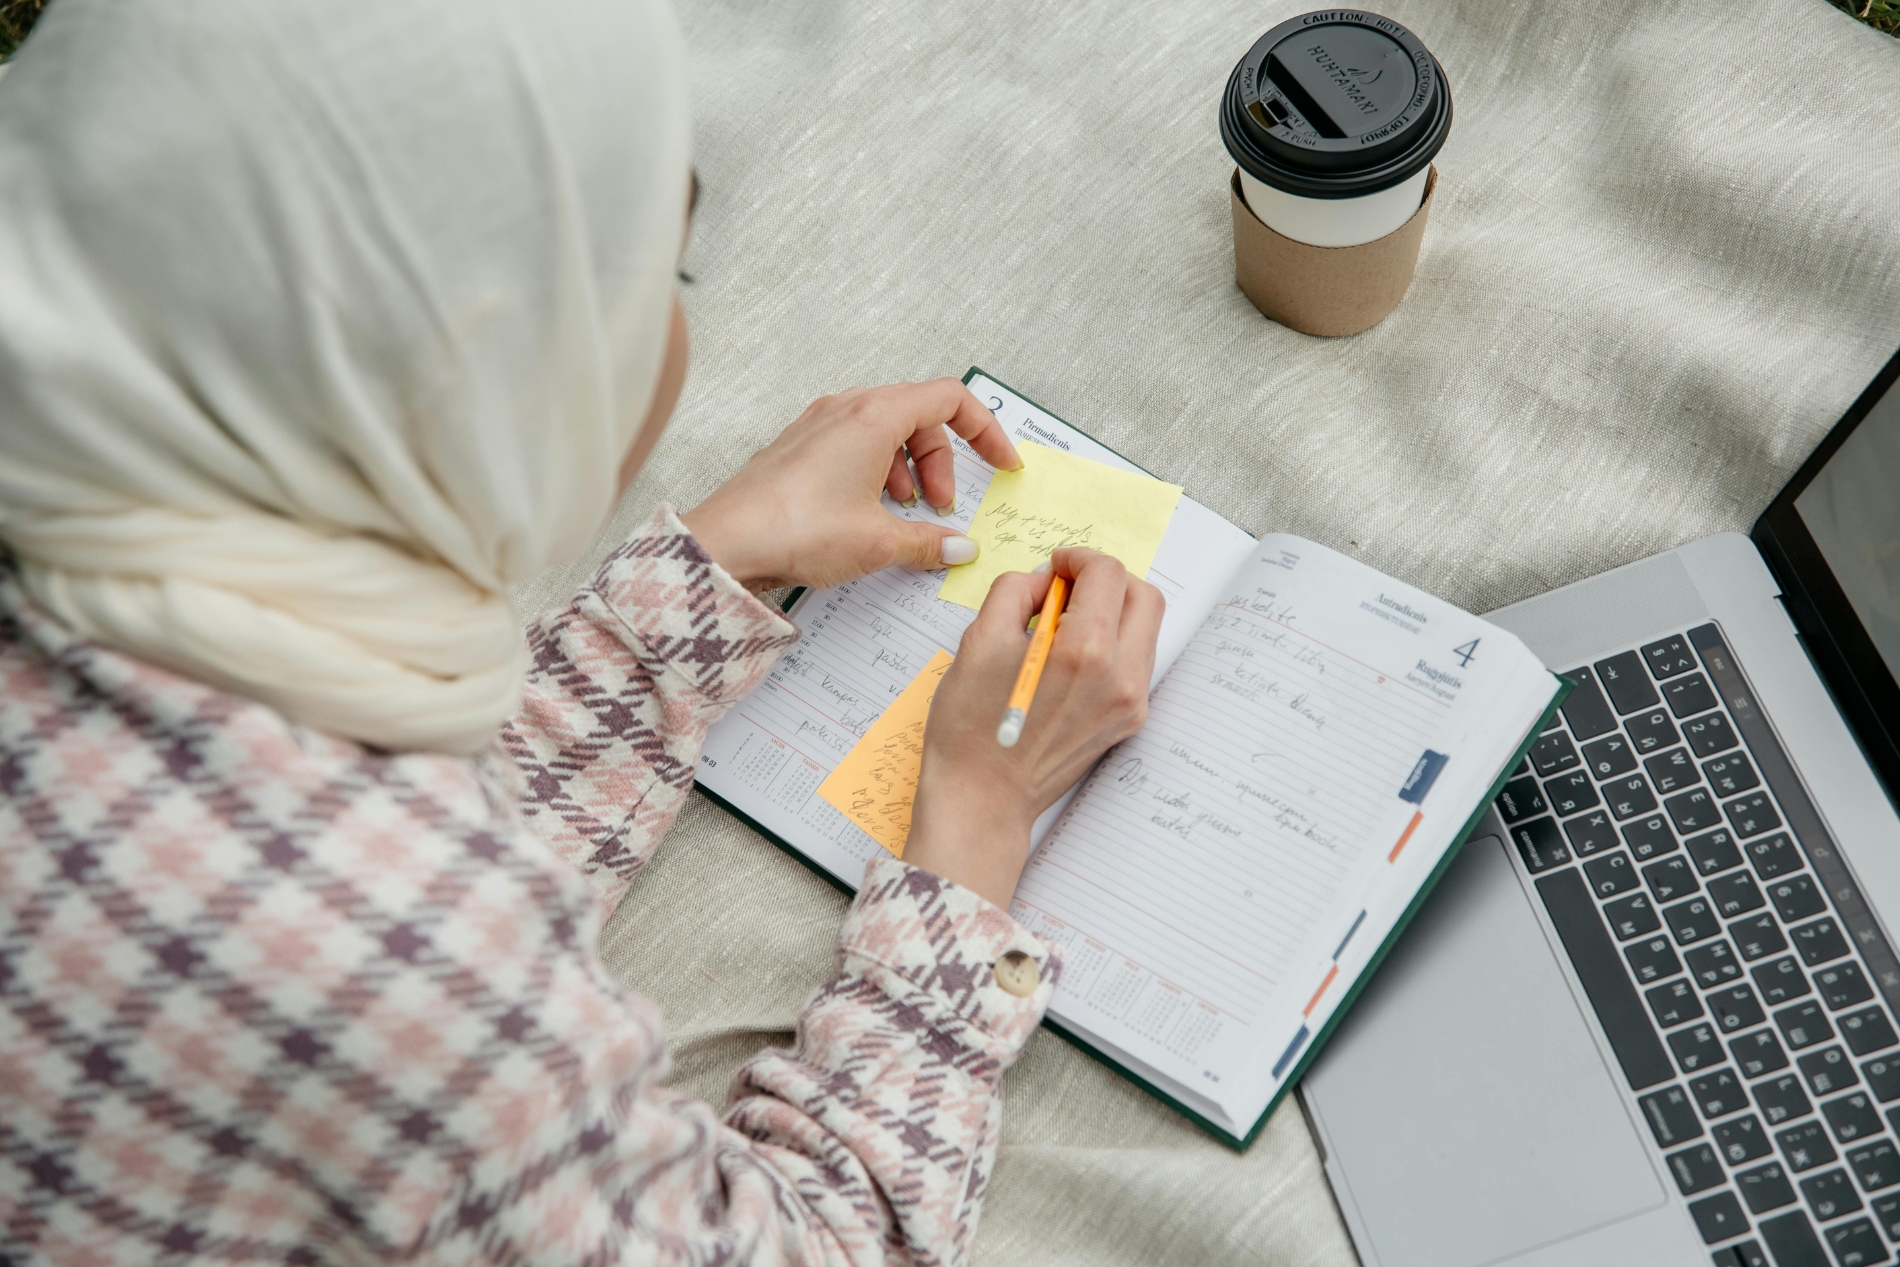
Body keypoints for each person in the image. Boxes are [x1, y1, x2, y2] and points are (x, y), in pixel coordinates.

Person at [0, 0, 1164, 1262]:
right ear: (482, 374)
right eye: (657, 279)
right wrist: (976, 829)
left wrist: (690, 592)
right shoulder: (401, 976)